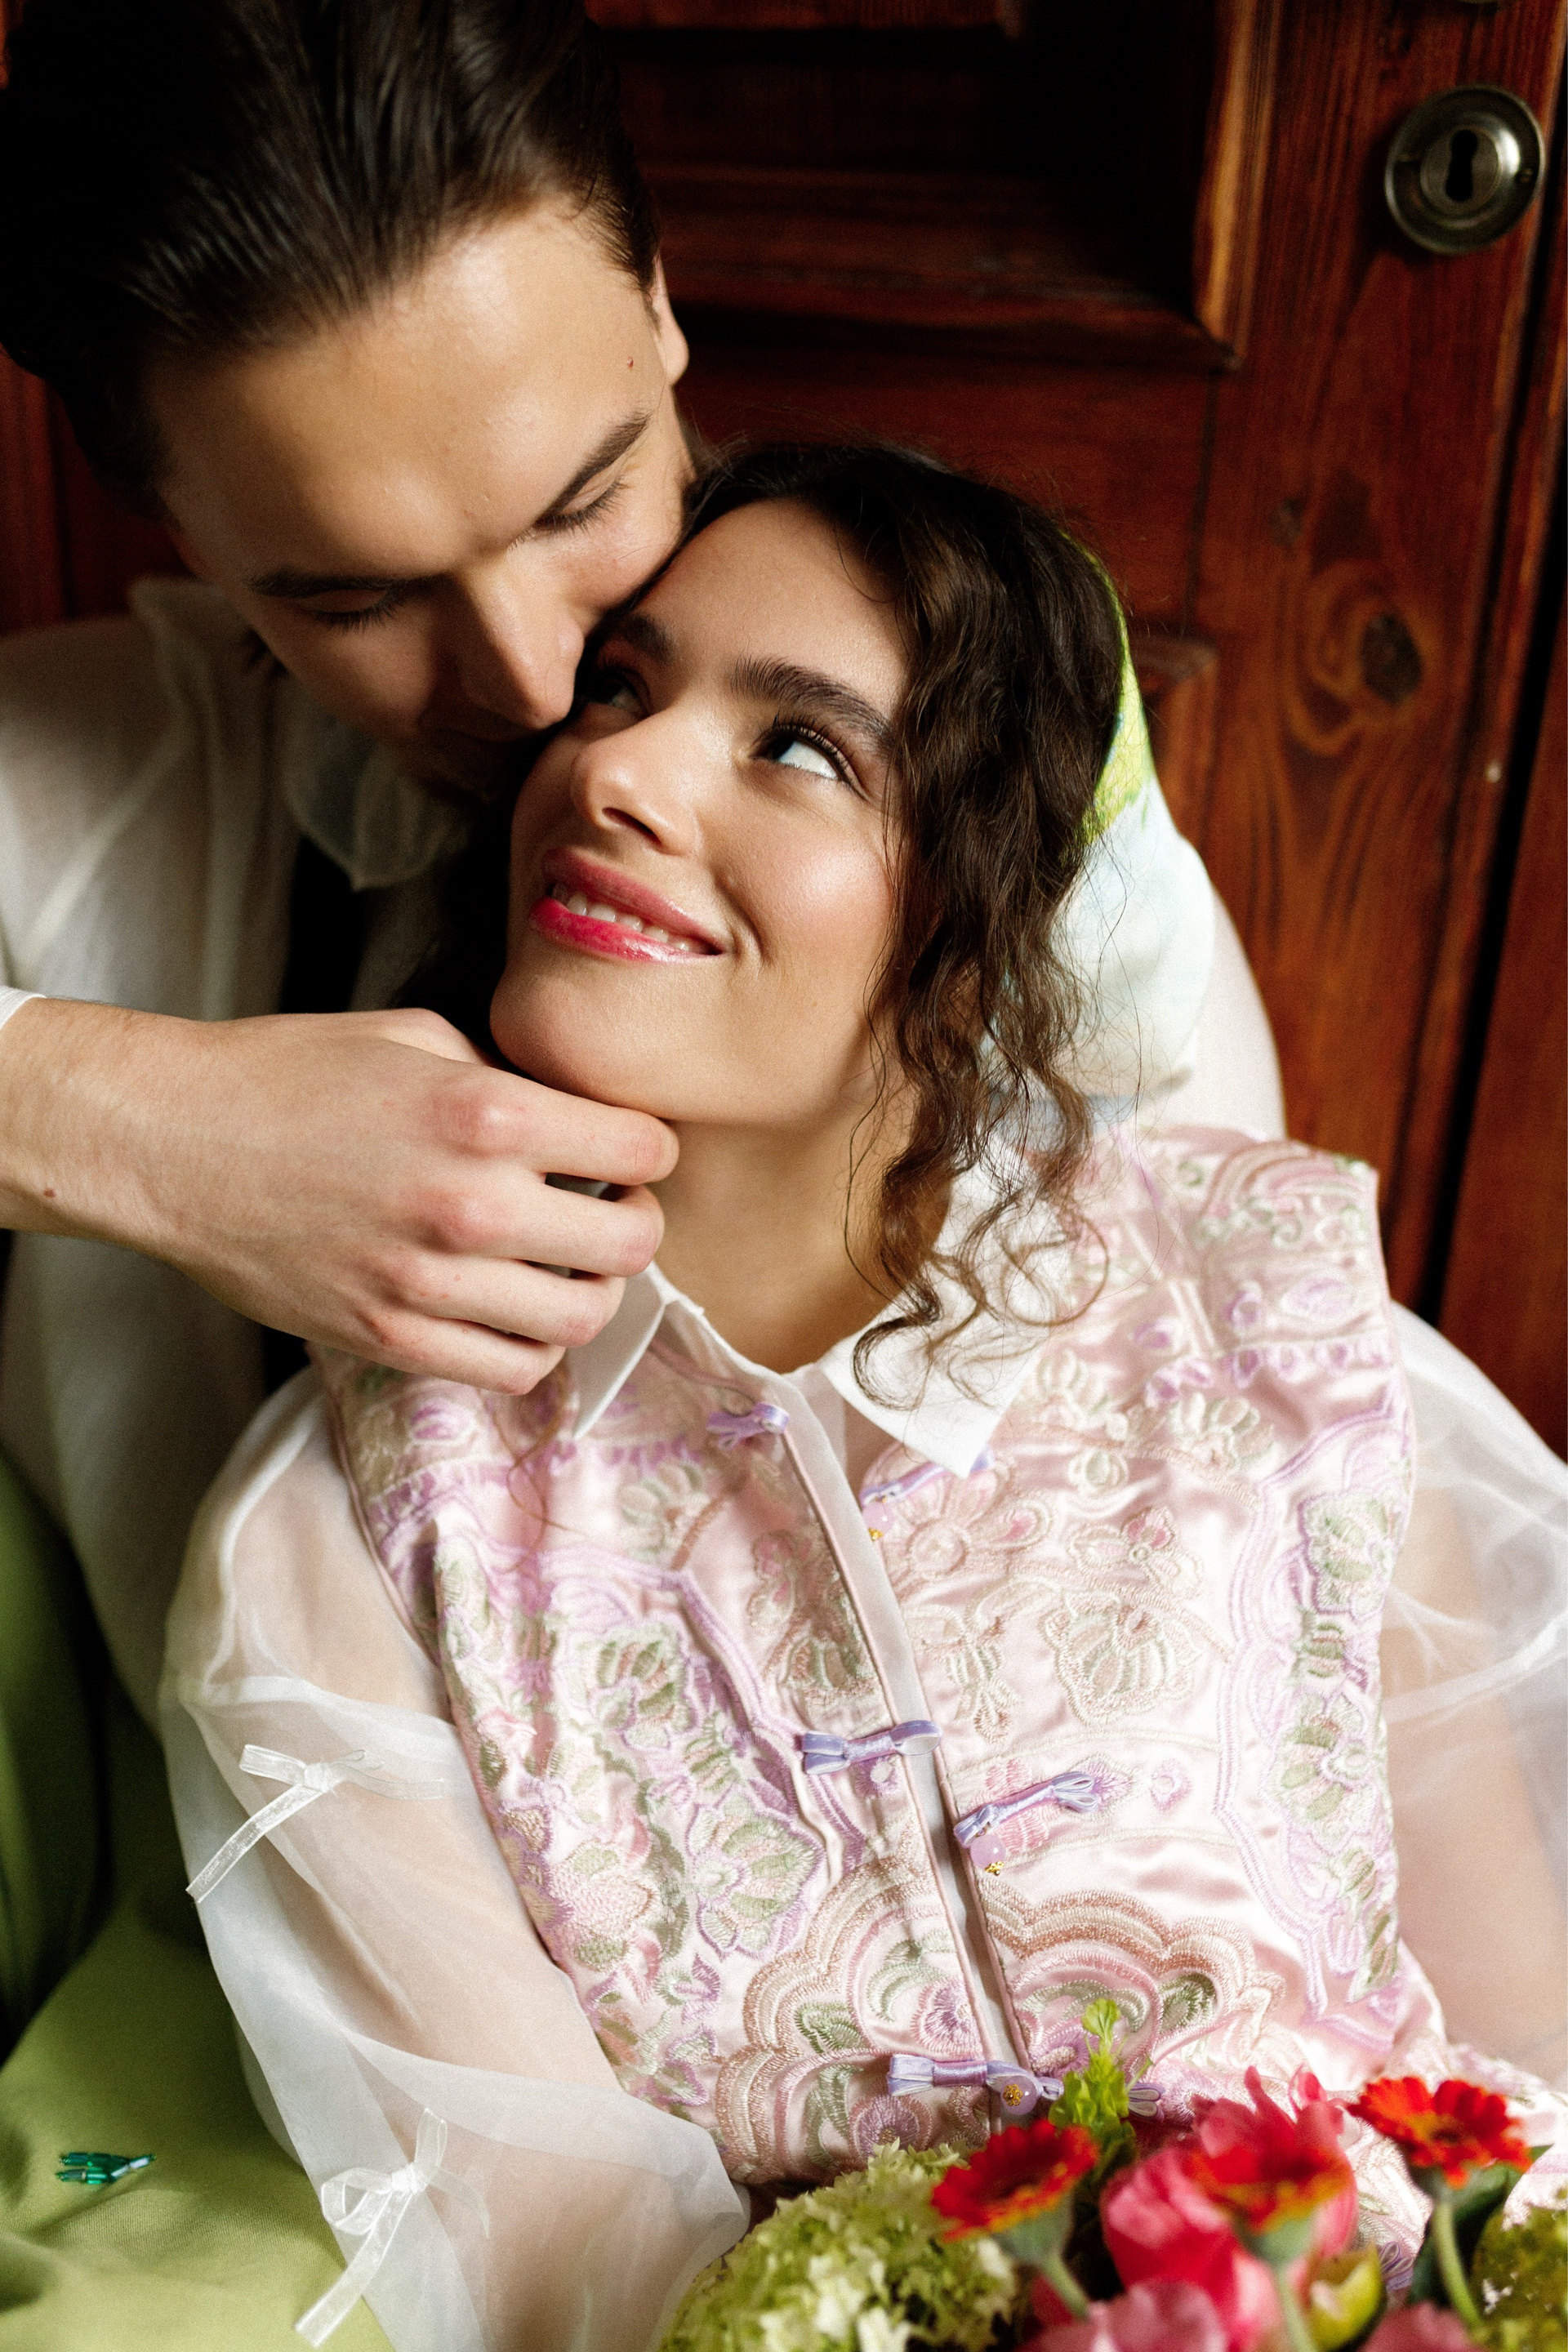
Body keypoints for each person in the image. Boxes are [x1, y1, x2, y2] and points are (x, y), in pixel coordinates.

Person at [163, 444, 1566, 2352]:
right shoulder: (345, 1539)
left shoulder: (1276, 1329)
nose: (617, 774)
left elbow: (1519, 2083)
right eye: (618, 690)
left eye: (801, 747)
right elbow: (566, 2271)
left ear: (983, 906)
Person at [0, 0, 1277, 1730]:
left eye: (579, 501)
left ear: (661, 305)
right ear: (191, 535)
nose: (538, 683)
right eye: (358, 597)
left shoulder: (1013, 800)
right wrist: (145, 1132)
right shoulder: (124, 766)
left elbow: (1240, 1502)